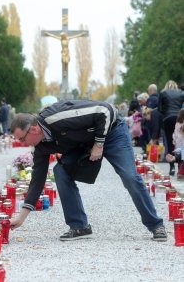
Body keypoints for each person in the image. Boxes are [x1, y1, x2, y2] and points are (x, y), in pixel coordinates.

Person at [10, 100, 167, 242]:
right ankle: (79, 225)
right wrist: (21, 217)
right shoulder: (41, 146)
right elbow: (37, 180)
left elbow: (105, 110)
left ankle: (155, 224)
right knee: (60, 171)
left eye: (22, 139)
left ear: (34, 129)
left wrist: (98, 144)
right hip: (85, 142)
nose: (23, 143)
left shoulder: (57, 117)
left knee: (129, 176)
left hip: (112, 132)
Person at [158, 80, 184, 175]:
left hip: (168, 118)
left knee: (170, 142)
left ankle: (172, 167)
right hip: (180, 118)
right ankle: (181, 166)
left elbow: (159, 108)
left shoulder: (163, 93)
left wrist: (165, 115)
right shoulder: (181, 93)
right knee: (181, 141)